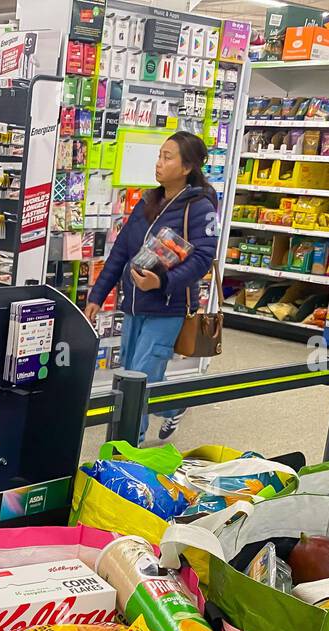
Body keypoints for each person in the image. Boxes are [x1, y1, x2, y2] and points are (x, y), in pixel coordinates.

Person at [84, 131, 219, 442]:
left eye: (167, 157)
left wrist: (164, 281)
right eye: (159, 155)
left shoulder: (199, 207)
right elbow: (121, 251)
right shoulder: (148, 200)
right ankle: (173, 407)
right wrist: (97, 295)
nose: (159, 163)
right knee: (133, 369)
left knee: (140, 374)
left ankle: (129, 441)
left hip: (167, 307)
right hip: (134, 305)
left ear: (187, 167)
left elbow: (203, 257)